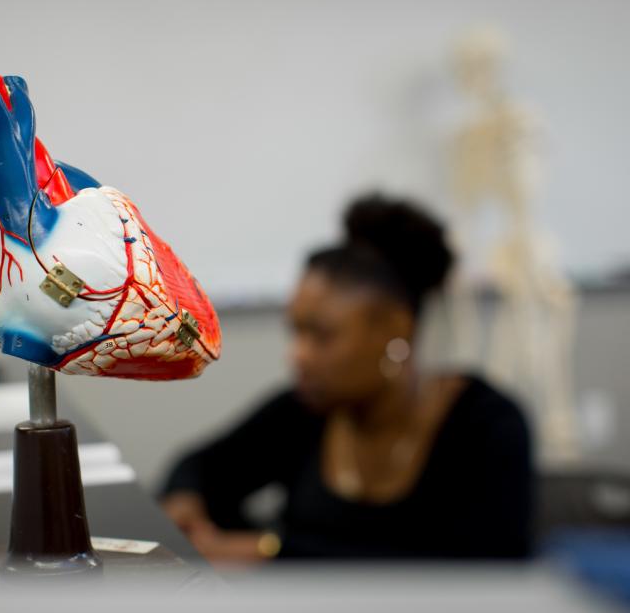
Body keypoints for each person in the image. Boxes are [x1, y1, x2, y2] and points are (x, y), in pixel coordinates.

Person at [160, 194, 534, 562]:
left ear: (396, 329)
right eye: (297, 333)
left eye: (322, 335)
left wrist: (268, 553)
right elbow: (198, 467)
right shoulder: (304, 410)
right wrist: (186, 505)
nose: (298, 355)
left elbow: (472, 571)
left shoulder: (487, 427)